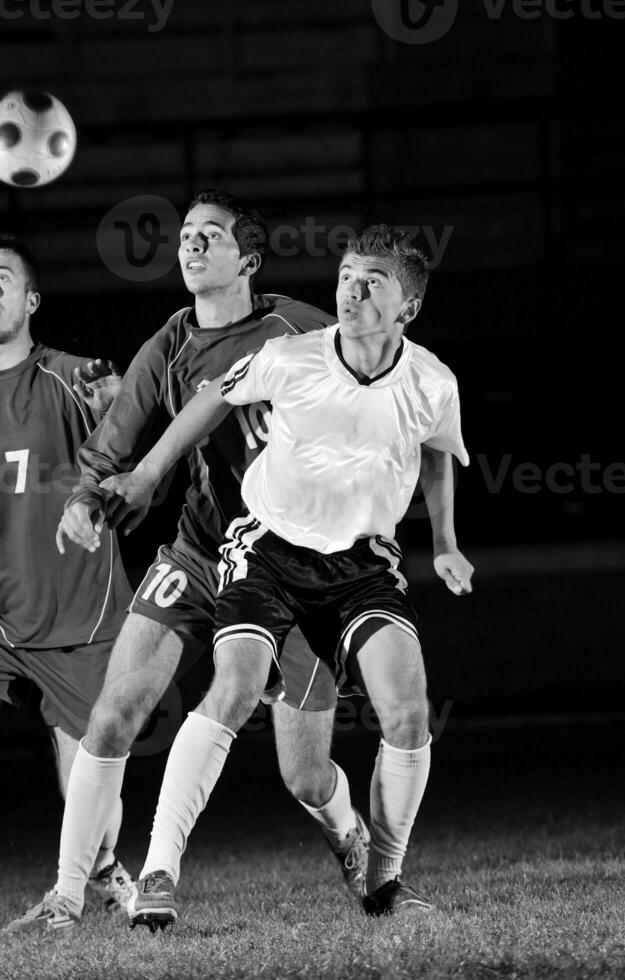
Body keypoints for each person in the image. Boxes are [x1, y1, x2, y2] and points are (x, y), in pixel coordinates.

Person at [5, 190, 372, 937]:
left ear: (249, 259)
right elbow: (115, 433)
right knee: (113, 715)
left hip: (296, 568)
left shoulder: (297, 329)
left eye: (210, 235)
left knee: (302, 773)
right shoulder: (168, 341)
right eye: (186, 235)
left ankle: (352, 835)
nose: (190, 245)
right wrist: (84, 496)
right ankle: (71, 897)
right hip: (202, 553)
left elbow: (377, 391)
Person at [105, 223, 474, 924]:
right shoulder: (292, 357)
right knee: (237, 686)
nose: (351, 290)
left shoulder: (432, 381)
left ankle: (384, 883)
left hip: (362, 566)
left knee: (400, 715)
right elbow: (215, 394)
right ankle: (157, 873)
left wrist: (446, 542)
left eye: (373, 282)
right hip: (267, 551)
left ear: (408, 308)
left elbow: (435, 453)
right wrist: (150, 472)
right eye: (345, 275)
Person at [0, 234, 135, 931]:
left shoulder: (69, 376)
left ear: (31, 299)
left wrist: (119, 403)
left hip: (70, 607)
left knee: (83, 755)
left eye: (2, 277)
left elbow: (135, 433)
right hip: (2, 613)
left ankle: (97, 876)